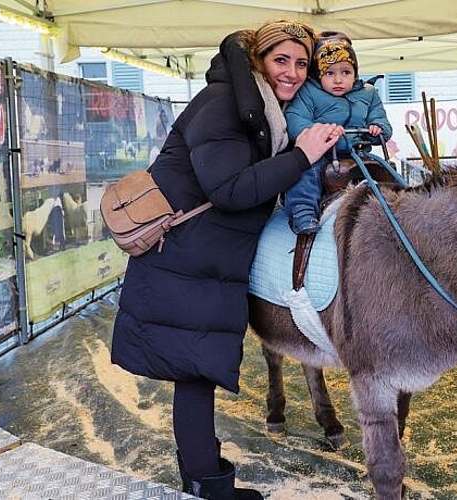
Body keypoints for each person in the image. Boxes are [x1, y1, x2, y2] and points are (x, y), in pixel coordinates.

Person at [110, 21, 344, 500]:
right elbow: (230, 189)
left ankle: (203, 477)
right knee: (194, 373)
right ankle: (208, 486)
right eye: (282, 60)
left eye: (302, 63)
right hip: (185, 255)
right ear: (258, 60)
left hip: (200, 256)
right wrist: (301, 155)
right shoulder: (223, 104)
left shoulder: (255, 105)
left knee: (197, 372)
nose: (294, 72)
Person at [283, 31, 392, 234]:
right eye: (329, 73)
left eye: (345, 72)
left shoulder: (368, 93)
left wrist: (377, 129)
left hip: (356, 152)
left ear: (355, 73)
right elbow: (295, 118)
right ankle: (302, 211)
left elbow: (381, 121)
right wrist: (318, 133)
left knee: (385, 169)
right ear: (318, 74)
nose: (338, 80)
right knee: (307, 171)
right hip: (321, 151)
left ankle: (395, 209)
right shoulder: (308, 91)